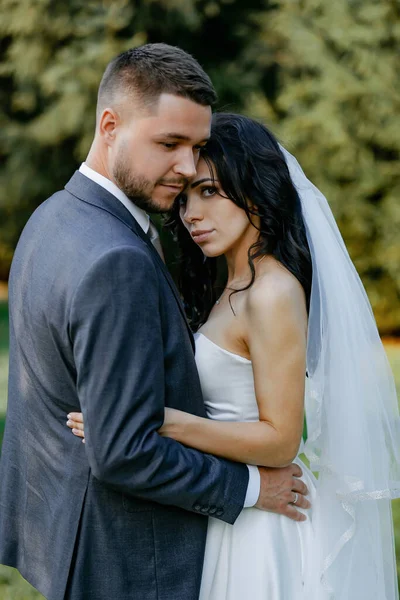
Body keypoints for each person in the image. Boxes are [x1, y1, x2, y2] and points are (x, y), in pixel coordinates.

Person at [0, 45, 310, 600]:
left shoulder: (54, 216)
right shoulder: (115, 258)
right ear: (110, 125)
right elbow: (124, 451)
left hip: (62, 533)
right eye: (169, 144)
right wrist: (250, 489)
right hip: (122, 553)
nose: (187, 167)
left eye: (196, 148)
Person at [69, 112, 400, 599]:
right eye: (183, 199)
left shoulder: (272, 293)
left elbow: (280, 440)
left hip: (264, 527)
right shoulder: (232, 286)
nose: (191, 214)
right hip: (230, 509)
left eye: (208, 191)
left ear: (254, 190)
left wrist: (157, 421)